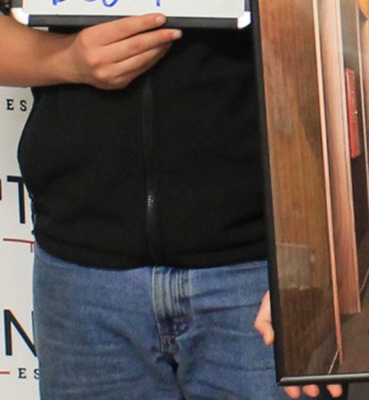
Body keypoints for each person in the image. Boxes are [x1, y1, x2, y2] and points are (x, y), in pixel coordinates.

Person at [0, 11, 344, 400]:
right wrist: (68, 59)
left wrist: (316, 250)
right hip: (82, 276)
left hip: (263, 265)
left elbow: (363, 33)